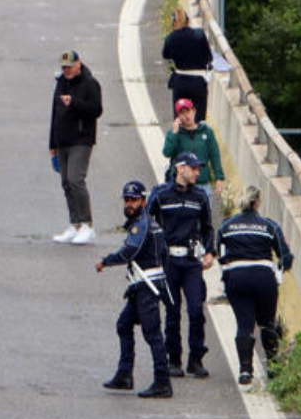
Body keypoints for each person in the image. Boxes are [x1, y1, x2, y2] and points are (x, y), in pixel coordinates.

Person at [96, 180, 174, 399]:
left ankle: (162, 381)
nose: (129, 204)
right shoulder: (152, 222)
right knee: (124, 325)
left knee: (152, 334)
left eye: (134, 200)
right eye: (127, 200)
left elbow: (129, 251)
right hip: (143, 286)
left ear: (143, 201)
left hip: (145, 286)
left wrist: (106, 261)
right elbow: (164, 254)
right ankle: (124, 375)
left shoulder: (142, 224)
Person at [218, 187, 293, 385]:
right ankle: (274, 368)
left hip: (237, 277)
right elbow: (286, 256)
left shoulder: (227, 225)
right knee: (267, 323)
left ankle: (245, 370)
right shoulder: (270, 226)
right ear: (258, 202)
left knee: (244, 324)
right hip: (263, 278)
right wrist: (279, 272)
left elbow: (219, 253)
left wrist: (227, 276)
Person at [148, 151, 215, 378]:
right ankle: (173, 359)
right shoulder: (161, 195)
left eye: (198, 168)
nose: (197, 172)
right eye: (194, 168)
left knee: (196, 309)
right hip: (168, 261)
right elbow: (147, 223)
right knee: (173, 310)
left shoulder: (200, 197)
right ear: (180, 169)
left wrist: (210, 252)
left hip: (191, 261)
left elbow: (208, 227)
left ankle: (195, 359)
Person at [49, 50, 103, 245]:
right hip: (62, 140)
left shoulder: (90, 84)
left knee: (75, 179)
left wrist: (74, 103)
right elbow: (54, 114)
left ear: (78, 63)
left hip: (81, 139)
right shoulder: (61, 83)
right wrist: (52, 144)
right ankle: (75, 224)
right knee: (65, 181)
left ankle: (87, 224)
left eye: (70, 66)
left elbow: (96, 110)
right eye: (64, 67)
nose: (67, 70)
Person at [162, 99, 225, 199]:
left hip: (201, 183)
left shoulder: (206, 131)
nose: (186, 116)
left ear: (194, 111)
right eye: (182, 113)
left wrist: (219, 178)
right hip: (181, 185)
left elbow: (214, 155)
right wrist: (174, 133)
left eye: (188, 111)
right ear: (178, 117)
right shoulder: (175, 133)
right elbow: (167, 152)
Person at [162, 8, 212, 122]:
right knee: (199, 122)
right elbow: (209, 58)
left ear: (174, 23)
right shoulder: (199, 34)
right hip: (198, 83)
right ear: (188, 21)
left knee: (179, 120)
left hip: (180, 83)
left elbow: (167, 57)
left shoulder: (170, 38)